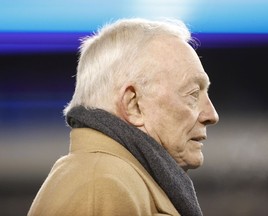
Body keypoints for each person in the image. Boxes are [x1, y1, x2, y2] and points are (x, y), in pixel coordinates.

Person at [28, 18, 219, 216]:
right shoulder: (102, 185)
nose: (211, 115)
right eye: (193, 94)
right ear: (133, 104)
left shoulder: (112, 180)